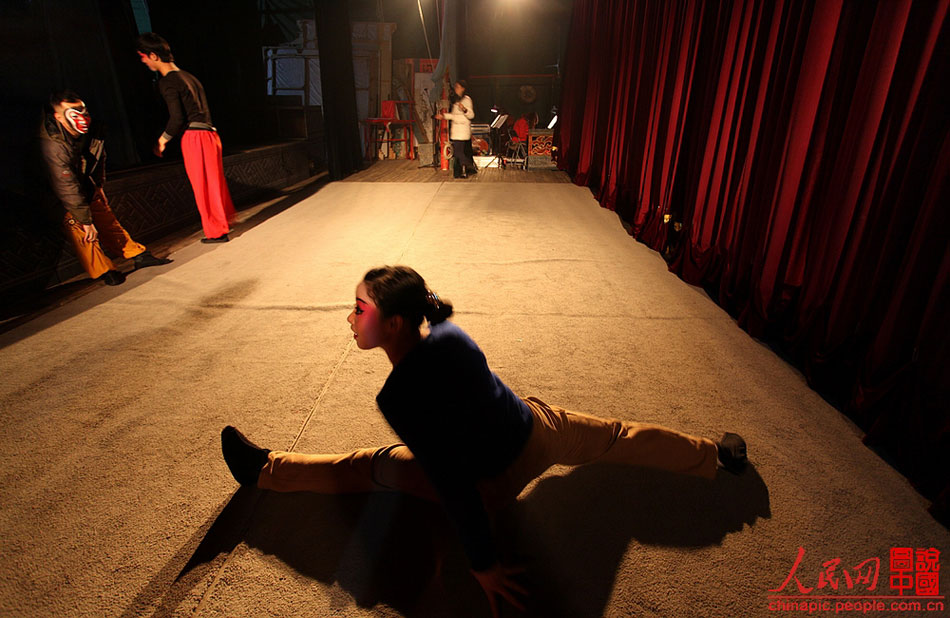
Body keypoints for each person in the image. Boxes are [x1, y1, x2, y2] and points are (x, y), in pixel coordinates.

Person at [221, 265, 749, 617]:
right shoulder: (452, 335)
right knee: (616, 436)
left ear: (396, 322)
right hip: (537, 433)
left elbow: (454, 486)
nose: (350, 317)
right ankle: (716, 456)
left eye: (360, 309)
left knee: (364, 466)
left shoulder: (397, 396)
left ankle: (265, 470)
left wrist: (483, 565)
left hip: (487, 483)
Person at [39, 90, 172, 286]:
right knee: (82, 231)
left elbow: (98, 157)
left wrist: (98, 185)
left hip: (83, 183)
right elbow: (64, 184)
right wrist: (85, 219)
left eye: (84, 112)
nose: (83, 119)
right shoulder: (52, 145)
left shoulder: (93, 130)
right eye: (74, 115)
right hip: (56, 194)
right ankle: (105, 270)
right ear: (59, 117)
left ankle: (137, 255)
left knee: (107, 220)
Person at [135, 32, 235, 243]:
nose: (143, 62)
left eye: (143, 57)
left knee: (203, 185)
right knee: (214, 182)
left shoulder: (168, 82)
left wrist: (162, 140)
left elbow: (177, 118)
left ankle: (216, 230)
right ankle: (222, 222)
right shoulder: (189, 77)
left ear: (153, 55)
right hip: (210, 134)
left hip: (195, 137)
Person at [435, 80, 476, 179]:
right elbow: (453, 115)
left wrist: (464, 110)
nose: (456, 89)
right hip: (456, 130)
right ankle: (463, 171)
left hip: (462, 130)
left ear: (463, 89)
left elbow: (471, 115)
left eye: (458, 87)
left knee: (458, 152)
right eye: (455, 87)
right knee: (459, 152)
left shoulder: (467, 100)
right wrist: (443, 116)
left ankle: (468, 166)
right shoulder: (456, 101)